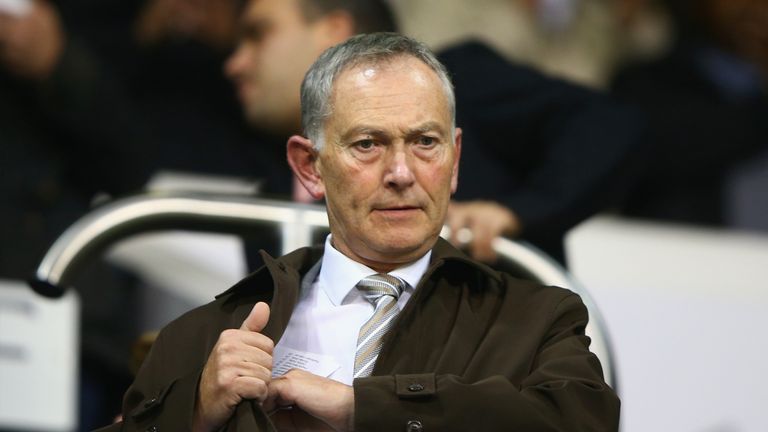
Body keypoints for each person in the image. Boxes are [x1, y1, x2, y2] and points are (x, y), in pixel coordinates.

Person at [99, 33, 619, 431]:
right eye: (368, 144)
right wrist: (194, 414)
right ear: (309, 165)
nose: (401, 172)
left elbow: (581, 421)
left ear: (455, 159)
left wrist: (361, 408)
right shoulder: (205, 336)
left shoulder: (536, 321)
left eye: (425, 142)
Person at [226, 0, 645, 264]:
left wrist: (516, 212)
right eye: (368, 145)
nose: (235, 63)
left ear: (333, 31)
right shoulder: (269, 190)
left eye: (426, 142)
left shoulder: (459, 85)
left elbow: (608, 125)